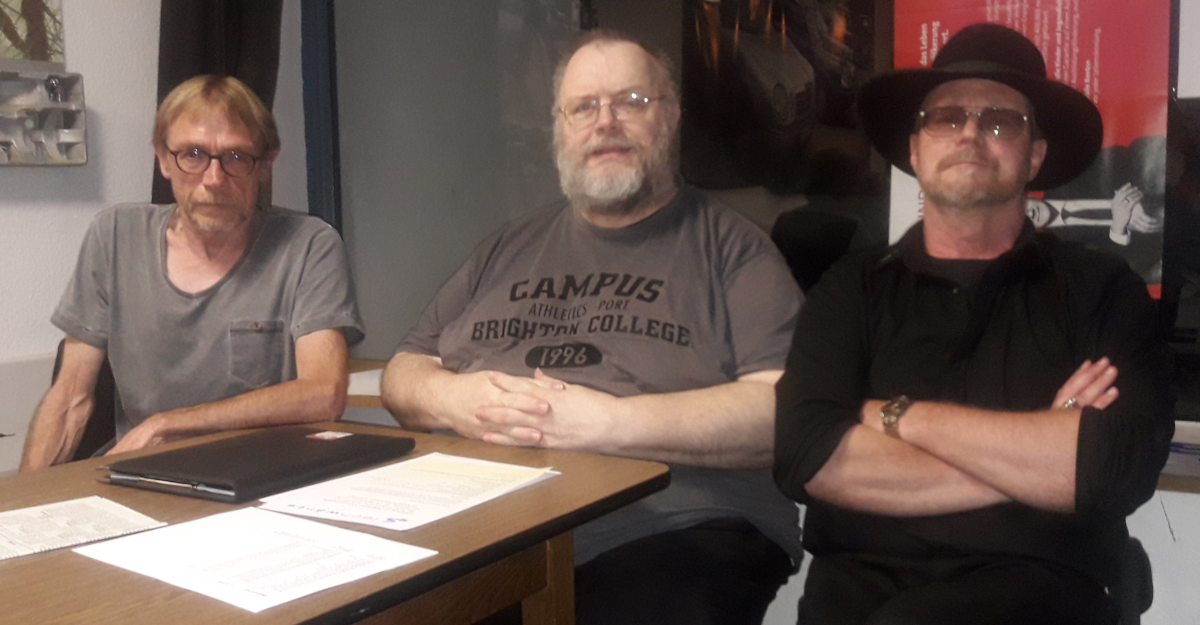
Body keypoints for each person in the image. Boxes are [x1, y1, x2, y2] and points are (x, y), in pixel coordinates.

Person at [382, 31, 803, 624]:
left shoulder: (733, 249)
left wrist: (605, 422)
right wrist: (455, 399)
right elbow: (403, 372)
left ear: (671, 117)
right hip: (482, 529)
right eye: (584, 107)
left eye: (631, 101)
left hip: (667, 529)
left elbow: (785, 413)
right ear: (559, 130)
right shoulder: (506, 247)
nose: (606, 122)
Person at [774, 23, 1173, 624]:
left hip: (1045, 591)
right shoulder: (850, 289)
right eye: (946, 117)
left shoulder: (1103, 291)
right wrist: (1039, 456)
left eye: (999, 122)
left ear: (1034, 154)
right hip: (854, 594)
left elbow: (1116, 469)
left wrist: (896, 416)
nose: (969, 134)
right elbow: (803, 455)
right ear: (915, 150)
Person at [20, 75, 364, 471]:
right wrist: (24, 501)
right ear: (163, 160)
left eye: (237, 157)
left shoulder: (309, 245)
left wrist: (169, 424)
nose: (214, 180)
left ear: (266, 164)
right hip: (143, 471)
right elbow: (70, 400)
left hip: (264, 475)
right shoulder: (114, 236)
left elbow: (324, 394)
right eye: (193, 155)